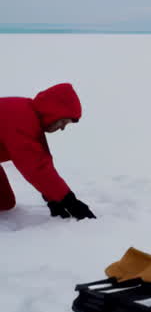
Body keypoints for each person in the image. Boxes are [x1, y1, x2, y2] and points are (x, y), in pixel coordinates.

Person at [0, 83, 95, 219]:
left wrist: (53, 199)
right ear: (54, 112)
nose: (62, 128)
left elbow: (43, 160)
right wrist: (70, 202)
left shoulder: (29, 115)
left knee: (4, 200)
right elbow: (35, 168)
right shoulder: (21, 119)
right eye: (63, 122)